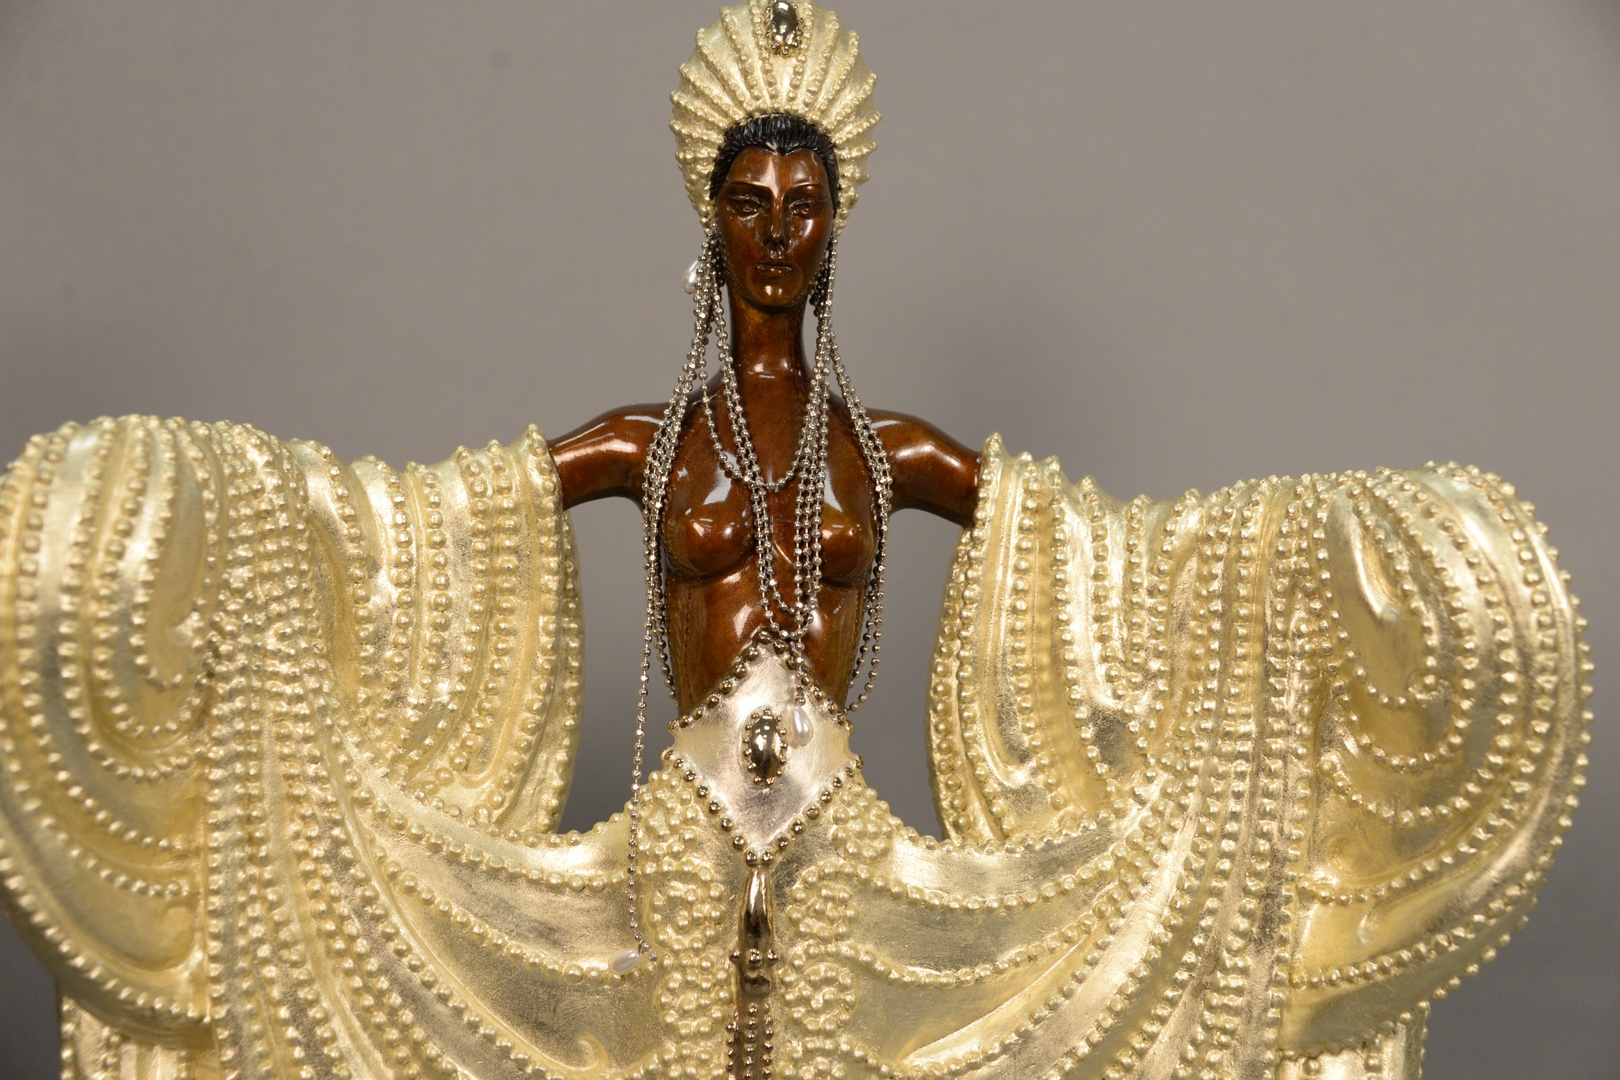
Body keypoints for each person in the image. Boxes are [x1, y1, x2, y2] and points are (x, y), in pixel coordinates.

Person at [0, 4, 1588, 1079]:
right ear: (711, 217)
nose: (776, 231)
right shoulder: (644, 443)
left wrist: (1297, 563)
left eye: (803, 203)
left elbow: (1128, 558)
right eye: (749, 202)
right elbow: (400, 530)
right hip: (681, 835)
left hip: (834, 839)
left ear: (839, 220)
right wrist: (214, 515)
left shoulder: (889, 454)